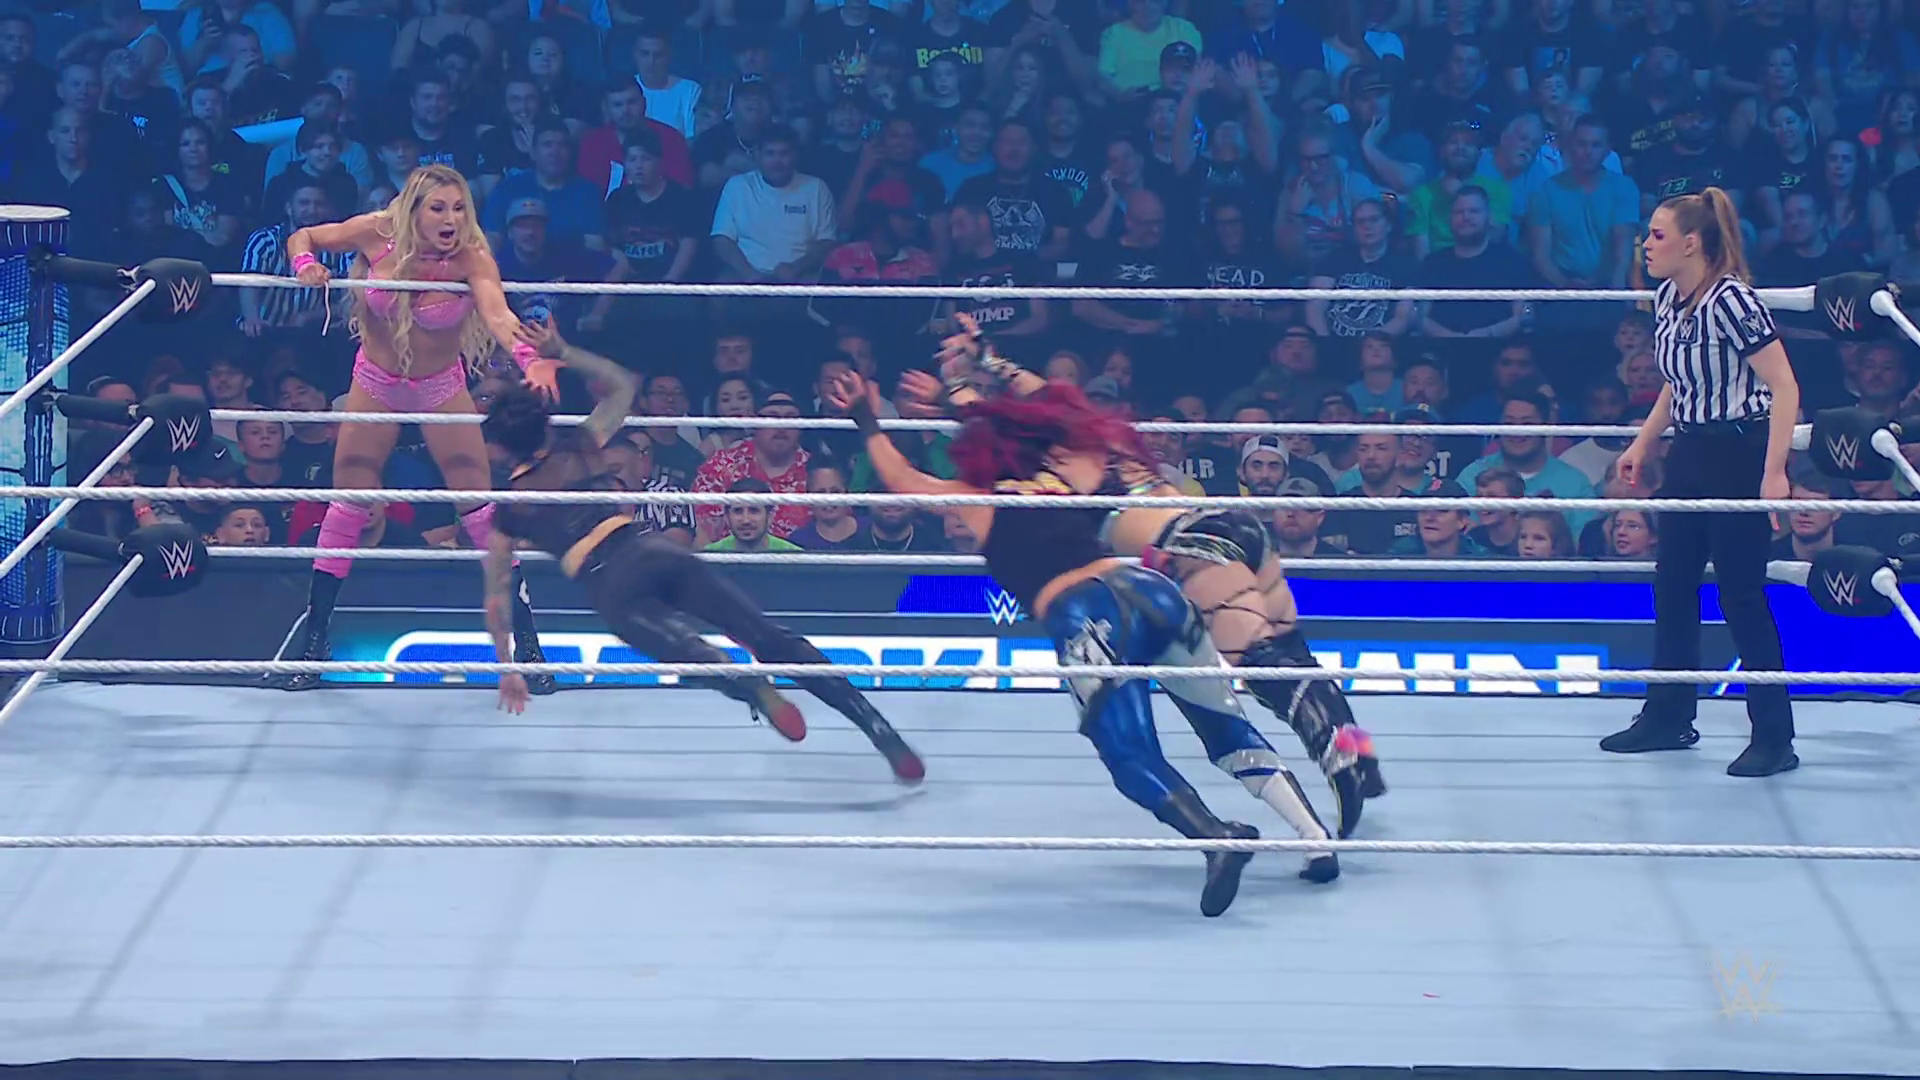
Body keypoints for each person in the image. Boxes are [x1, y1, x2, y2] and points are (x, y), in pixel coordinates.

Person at [828, 364, 1335, 919]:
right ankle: (1315, 840)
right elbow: (1069, 418)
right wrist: (975, 397)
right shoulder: (1073, 475)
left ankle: (1216, 838)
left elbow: (902, 479)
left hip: (1086, 614)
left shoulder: (981, 498)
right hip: (1150, 591)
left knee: (1128, 753)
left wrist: (866, 419)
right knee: (1224, 728)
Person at [908, 316, 1383, 837]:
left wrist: (956, 385)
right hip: (1235, 526)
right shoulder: (1100, 437)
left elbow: (991, 428)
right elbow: (1040, 398)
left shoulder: (1058, 463)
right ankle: (1356, 752)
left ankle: (1344, 766)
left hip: (1194, 548)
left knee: (1262, 663)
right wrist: (989, 360)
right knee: (1290, 649)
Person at [480, 318, 925, 786]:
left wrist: (508, 668)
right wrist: (563, 351)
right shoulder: (581, 443)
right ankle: (878, 728)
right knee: (769, 637)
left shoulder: (511, 506)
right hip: (650, 547)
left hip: (609, 582)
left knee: (692, 654)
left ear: (502, 448)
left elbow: (497, 598)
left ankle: (747, 685)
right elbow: (623, 385)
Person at [274, 164, 561, 691]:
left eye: (459, 208)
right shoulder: (376, 232)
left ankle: (529, 648)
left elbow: (499, 316)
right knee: (348, 503)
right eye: (439, 208)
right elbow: (305, 235)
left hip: (439, 385)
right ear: (414, 211)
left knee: (479, 509)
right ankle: (314, 645)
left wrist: (529, 360)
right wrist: (306, 264)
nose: (451, 219)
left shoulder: (471, 256)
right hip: (376, 380)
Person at [1602, 188, 1801, 777]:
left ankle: (1775, 738)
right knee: (1672, 582)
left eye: (1658, 235)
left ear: (1692, 243)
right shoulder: (1668, 296)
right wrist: (1644, 441)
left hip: (1739, 451)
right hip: (1690, 449)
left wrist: (1774, 472)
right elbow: (1679, 380)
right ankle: (1668, 715)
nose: (1646, 244)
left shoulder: (1732, 300)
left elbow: (1784, 385)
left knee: (1740, 593)